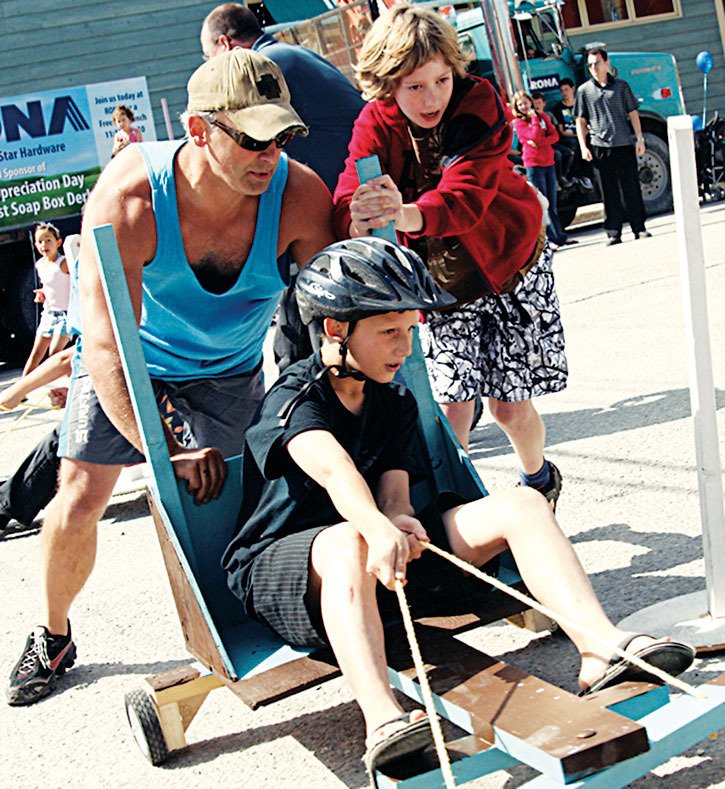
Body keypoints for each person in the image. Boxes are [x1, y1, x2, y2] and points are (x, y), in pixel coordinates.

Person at [222, 237, 695, 782]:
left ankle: (601, 648)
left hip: (384, 558)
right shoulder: (293, 400)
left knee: (521, 502)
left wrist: (397, 517)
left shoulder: (393, 397)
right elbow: (336, 474)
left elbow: (393, 490)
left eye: (410, 330)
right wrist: (376, 526)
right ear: (335, 330)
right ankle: (383, 719)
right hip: (291, 572)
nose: (405, 346)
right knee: (348, 539)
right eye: (390, 332)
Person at [6, 48, 334, 706]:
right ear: (197, 129)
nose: (268, 154)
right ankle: (53, 632)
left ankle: (264, 613)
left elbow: (338, 303)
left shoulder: (297, 196)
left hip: (227, 371)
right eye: (249, 137)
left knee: (249, 504)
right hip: (133, 362)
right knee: (78, 496)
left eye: (282, 135)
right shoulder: (131, 198)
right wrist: (166, 447)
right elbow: (101, 343)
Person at [333, 3, 566, 507]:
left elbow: (466, 196)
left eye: (440, 80)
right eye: (414, 86)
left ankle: (539, 479)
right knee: (451, 402)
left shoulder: (479, 101)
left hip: (511, 265)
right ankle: (450, 507)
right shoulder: (375, 120)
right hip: (442, 284)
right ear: (387, 83)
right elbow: (353, 182)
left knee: (509, 408)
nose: (431, 96)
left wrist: (403, 211)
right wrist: (357, 214)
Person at [201, 3, 366, 371]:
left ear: (226, 45)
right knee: (301, 337)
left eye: (208, 58)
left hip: (338, 212)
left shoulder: (268, 70)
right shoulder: (289, 54)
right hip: (338, 207)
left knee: (318, 338)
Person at [574, 48, 651, 246]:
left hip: (623, 143)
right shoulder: (584, 91)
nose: (593, 68)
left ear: (606, 63)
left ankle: (639, 227)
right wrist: (584, 146)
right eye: (590, 64)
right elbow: (580, 121)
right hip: (600, 146)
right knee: (608, 192)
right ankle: (613, 231)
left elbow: (633, 113)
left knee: (631, 187)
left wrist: (640, 139)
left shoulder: (621, 87)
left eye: (597, 63)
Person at [511, 91, 573, 248]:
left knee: (552, 203)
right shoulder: (519, 122)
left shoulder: (542, 116)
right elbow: (534, 137)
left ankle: (560, 236)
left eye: (526, 102)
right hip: (534, 164)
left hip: (548, 162)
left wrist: (541, 141)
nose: (524, 106)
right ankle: (550, 239)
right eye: (520, 105)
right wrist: (534, 121)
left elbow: (554, 136)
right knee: (542, 203)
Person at [21, 223, 71, 377]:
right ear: (36, 245)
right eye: (40, 242)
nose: (44, 245)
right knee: (36, 354)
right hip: (49, 314)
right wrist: (42, 293)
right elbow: (50, 284)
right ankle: (20, 390)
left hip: (66, 315)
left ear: (58, 242)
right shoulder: (40, 265)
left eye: (48, 240)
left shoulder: (64, 263)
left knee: (55, 354)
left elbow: (77, 281)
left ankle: (74, 386)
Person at [551, 78, 593, 191]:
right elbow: (561, 130)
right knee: (574, 145)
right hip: (569, 137)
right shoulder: (558, 108)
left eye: (566, 90)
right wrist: (577, 136)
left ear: (573, 89)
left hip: (584, 133)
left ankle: (587, 175)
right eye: (562, 91)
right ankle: (573, 175)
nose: (564, 93)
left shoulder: (581, 104)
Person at [531, 91, 573, 190]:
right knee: (557, 155)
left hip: (551, 143)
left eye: (539, 103)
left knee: (569, 153)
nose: (537, 106)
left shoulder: (548, 115)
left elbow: (554, 134)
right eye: (534, 104)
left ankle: (563, 176)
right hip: (542, 146)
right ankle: (556, 180)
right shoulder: (532, 118)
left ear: (544, 103)